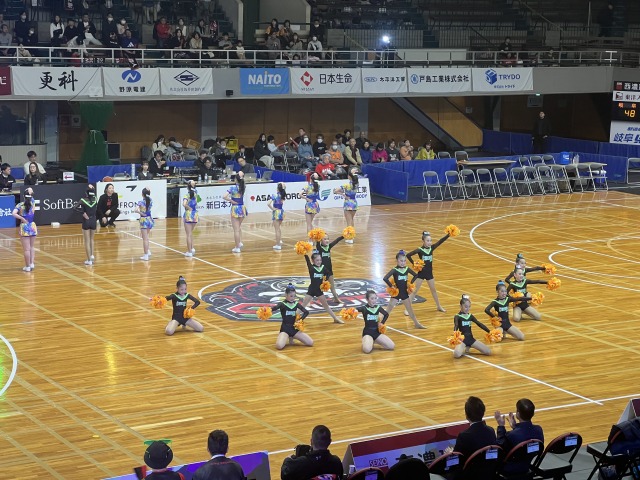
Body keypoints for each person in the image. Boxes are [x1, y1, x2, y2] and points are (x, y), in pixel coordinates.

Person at [495, 399, 544, 475]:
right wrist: (515, 427)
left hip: (510, 469)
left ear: (518, 413)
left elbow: (500, 449)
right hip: (529, 464)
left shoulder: (511, 435)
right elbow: (525, 439)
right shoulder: (539, 429)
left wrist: (501, 426)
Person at [406, 230, 451, 312]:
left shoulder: (432, 248)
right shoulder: (419, 250)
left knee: (433, 290)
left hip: (429, 273)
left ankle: (438, 306)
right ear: (423, 241)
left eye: (430, 240)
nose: (429, 242)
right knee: (415, 291)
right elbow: (408, 255)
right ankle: (407, 309)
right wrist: (414, 264)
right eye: (427, 241)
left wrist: (448, 235)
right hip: (421, 273)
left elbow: (440, 241)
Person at [383, 250, 424, 329]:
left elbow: (416, 275)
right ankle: (380, 324)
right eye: (401, 261)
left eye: (404, 261)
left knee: (410, 310)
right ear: (397, 260)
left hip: (404, 293)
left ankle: (417, 323)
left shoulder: (407, 269)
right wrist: (391, 286)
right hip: (396, 293)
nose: (403, 262)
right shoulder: (394, 270)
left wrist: (410, 283)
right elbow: (385, 278)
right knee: (388, 310)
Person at [301, 251, 342, 323]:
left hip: (319, 290)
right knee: (303, 305)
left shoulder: (323, 268)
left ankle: (335, 318)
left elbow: (328, 274)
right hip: (311, 289)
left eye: (320, 260)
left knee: (326, 305)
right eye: (317, 260)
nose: (319, 262)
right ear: (313, 261)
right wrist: (304, 253)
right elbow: (307, 260)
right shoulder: (311, 268)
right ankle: (293, 319)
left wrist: (325, 281)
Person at [272, 284, 312, 350]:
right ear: (286, 295)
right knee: (279, 346)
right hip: (285, 329)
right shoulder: (282, 304)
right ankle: (284, 336)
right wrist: (265, 310)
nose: (293, 298)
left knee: (310, 342)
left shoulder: (296, 304)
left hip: (294, 329)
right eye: (291, 296)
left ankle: (293, 336)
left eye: (294, 296)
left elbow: (306, 312)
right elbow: (273, 309)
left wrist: (300, 320)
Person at [12, 187, 37, 272]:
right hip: (32, 226)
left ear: (23, 196)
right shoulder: (33, 203)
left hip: (24, 226)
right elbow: (31, 193)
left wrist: (22, 218)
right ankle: (32, 263)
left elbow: (13, 213)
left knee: (26, 249)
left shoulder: (20, 205)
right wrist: (30, 190)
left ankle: (27, 266)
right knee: (32, 246)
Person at [315, 233, 344, 304]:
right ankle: (310, 300)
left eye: (328, 239)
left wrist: (343, 236)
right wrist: (317, 237)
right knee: (316, 286)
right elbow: (317, 242)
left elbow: (336, 241)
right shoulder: (319, 248)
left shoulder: (328, 247)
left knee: (332, 286)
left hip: (329, 270)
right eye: (325, 239)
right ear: (321, 240)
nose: (327, 240)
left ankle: (336, 299)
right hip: (321, 271)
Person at [223, 171, 246, 253]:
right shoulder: (243, 186)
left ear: (236, 179)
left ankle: (237, 247)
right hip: (242, 207)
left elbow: (224, 196)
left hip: (235, 208)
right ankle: (240, 242)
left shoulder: (232, 188)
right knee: (239, 227)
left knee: (236, 229)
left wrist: (231, 201)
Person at [333, 168, 359, 244]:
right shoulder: (356, 184)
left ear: (349, 177)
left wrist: (343, 194)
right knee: (351, 220)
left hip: (348, 202)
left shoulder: (346, 185)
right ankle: (352, 236)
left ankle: (350, 238)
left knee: (349, 222)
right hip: (354, 202)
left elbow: (335, 191)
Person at [79, 185, 97, 266]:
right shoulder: (95, 199)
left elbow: (75, 208)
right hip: (93, 220)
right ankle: (92, 255)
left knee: (87, 241)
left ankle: (89, 260)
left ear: (86, 193)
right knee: (92, 239)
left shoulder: (83, 200)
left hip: (86, 221)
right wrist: (92, 189)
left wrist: (83, 213)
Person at [136, 187, 154, 261]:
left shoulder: (140, 202)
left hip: (144, 220)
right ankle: (148, 251)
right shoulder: (151, 200)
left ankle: (146, 255)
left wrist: (140, 212)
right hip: (150, 219)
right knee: (146, 237)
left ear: (142, 194)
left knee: (145, 239)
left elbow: (136, 210)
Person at [267, 182, 286, 250]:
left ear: (277, 188)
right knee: (278, 228)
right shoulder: (282, 195)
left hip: (276, 212)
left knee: (277, 229)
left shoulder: (275, 195)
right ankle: (279, 240)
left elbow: (268, 203)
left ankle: (278, 245)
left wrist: (272, 209)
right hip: (281, 211)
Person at [182, 180, 198, 257]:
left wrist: (188, 208)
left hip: (189, 214)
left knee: (188, 234)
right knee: (191, 233)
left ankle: (189, 251)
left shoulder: (187, 195)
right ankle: (192, 248)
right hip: (195, 214)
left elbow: (184, 204)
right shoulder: (195, 193)